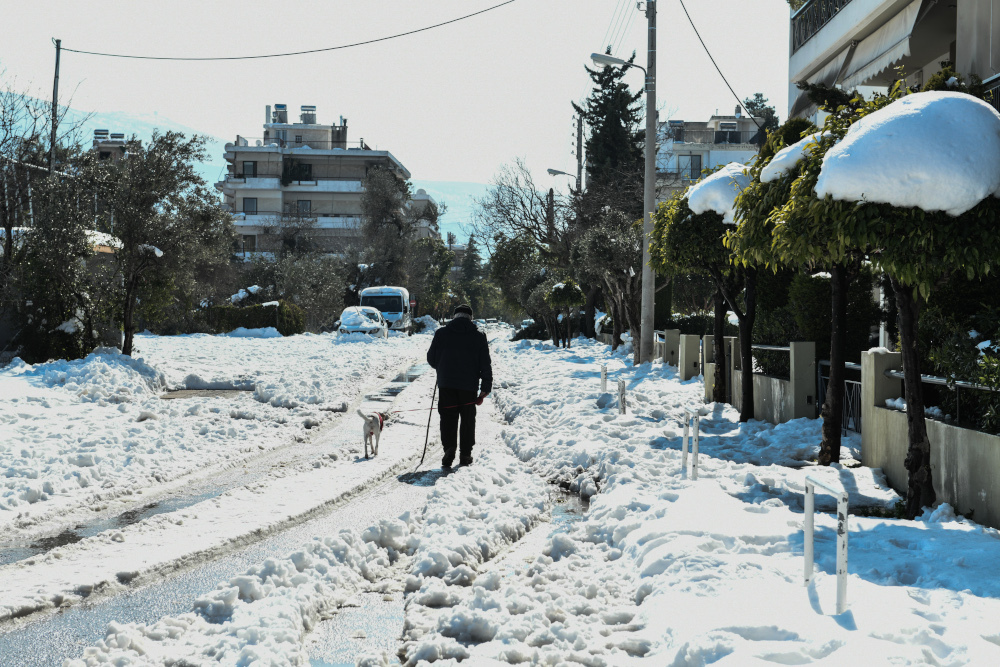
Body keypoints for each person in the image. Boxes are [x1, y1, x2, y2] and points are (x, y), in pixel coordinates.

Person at [426, 304, 492, 468]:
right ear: (471, 318)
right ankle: (465, 454)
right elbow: (485, 364)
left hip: (446, 384)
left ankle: (449, 448)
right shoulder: (478, 336)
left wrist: (441, 367)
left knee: (448, 417)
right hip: (468, 386)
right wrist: (485, 387)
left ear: (454, 316)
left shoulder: (441, 333)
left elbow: (431, 359)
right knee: (468, 419)